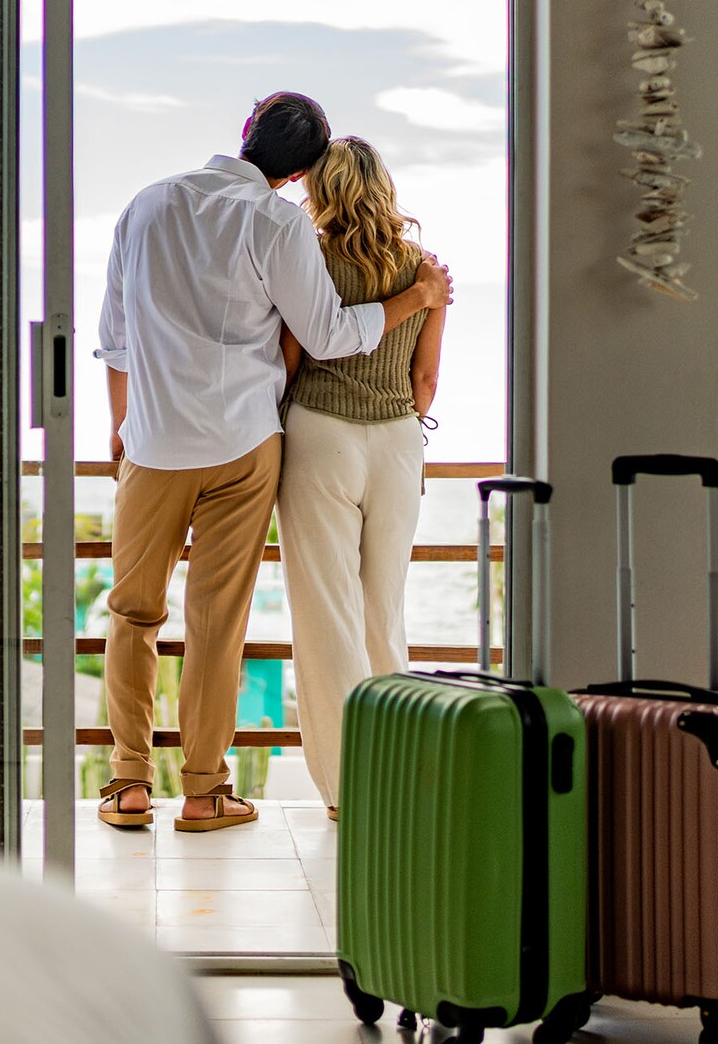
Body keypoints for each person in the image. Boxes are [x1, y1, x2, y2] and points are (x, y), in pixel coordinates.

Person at [94, 94, 452, 832]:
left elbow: (116, 335)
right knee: (217, 621)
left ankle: (128, 784)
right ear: (298, 175)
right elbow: (326, 332)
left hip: (155, 443)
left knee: (132, 613)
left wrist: (120, 425)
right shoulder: (278, 221)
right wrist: (417, 298)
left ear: (247, 132)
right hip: (244, 445)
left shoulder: (147, 204)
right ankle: (203, 790)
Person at [276, 137, 445, 819]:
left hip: (320, 437)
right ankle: (402, 773)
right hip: (399, 443)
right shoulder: (423, 268)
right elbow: (426, 384)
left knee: (327, 616)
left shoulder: (309, 260)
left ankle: (351, 791)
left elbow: (290, 360)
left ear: (322, 188)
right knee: (384, 613)